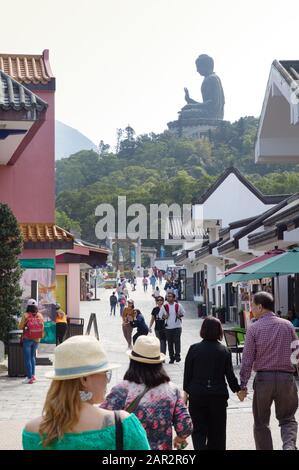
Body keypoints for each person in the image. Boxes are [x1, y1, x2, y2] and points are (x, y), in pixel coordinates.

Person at [22, 336, 150, 450]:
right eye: (105, 373)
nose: (107, 380)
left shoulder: (32, 431)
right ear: (84, 379)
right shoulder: (123, 425)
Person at [100, 335, 193, 450]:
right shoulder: (172, 390)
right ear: (159, 363)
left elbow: (100, 423)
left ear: (133, 361)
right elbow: (185, 427)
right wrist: (179, 439)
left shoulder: (122, 390)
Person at [240, 291, 299, 450]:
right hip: (286, 379)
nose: (251, 309)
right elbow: (296, 354)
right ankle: (289, 447)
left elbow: (247, 359)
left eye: (252, 305)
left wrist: (243, 384)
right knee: (288, 419)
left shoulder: (254, 328)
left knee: (261, 423)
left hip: (263, 380)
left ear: (260, 307)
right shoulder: (288, 325)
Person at [183, 317, 245, 450]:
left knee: (198, 430)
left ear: (203, 330)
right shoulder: (224, 350)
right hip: (218, 396)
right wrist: (238, 390)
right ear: (219, 331)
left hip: (197, 395)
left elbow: (187, 375)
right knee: (217, 432)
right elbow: (230, 376)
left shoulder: (193, 349)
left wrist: (185, 395)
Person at [182, 54, 225, 120]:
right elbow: (206, 105)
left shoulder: (211, 79)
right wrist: (190, 100)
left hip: (213, 115)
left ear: (206, 66)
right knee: (185, 111)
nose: (197, 70)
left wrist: (192, 106)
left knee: (184, 114)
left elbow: (212, 103)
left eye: (199, 67)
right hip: (210, 112)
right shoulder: (211, 78)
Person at [19, 299, 44, 384]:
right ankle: (33, 376)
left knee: (27, 358)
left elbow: (20, 326)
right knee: (33, 357)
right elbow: (42, 326)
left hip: (27, 338)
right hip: (37, 339)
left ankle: (29, 377)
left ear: (28, 306)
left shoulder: (25, 315)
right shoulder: (40, 315)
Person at [159, 292, 185, 363]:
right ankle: (171, 357)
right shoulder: (164, 306)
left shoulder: (178, 305)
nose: (168, 298)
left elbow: (183, 313)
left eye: (170, 296)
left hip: (177, 326)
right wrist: (165, 316)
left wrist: (179, 315)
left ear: (174, 298)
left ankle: (177, 355)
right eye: (167, 296)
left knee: (177, 341)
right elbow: (160, 316)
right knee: (170, 343)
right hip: (168, 328)